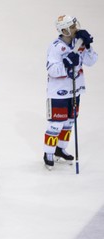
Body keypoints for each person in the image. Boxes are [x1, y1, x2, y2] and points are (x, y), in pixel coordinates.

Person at [43, 15, 98, 170]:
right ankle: (48, 153)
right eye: (72, 27)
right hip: (57, 93)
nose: (76, 29)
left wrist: (87, 46)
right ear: (64, 30)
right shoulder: (55, 47)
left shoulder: (78, 43)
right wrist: (67, 64)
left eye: (75, 26)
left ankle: (60, 149)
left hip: (75, 91)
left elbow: (91, 61)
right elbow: (52, 70)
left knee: (69, 123)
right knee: (56, 125)